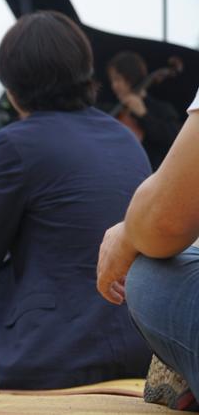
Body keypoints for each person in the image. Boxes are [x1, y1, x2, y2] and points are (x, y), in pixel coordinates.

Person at [0, 11, 153, 389]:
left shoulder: (15, 142)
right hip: (141, 342)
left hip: (52, 350)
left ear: (13, 88)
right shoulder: (125, 137)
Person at [97, 88, 199, 411]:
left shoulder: (12, 145)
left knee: (148, 271)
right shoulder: (122, 136)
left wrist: (127, 234)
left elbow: (166, 221)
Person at [107, 51, 180, 171]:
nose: (114, 85)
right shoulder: (112, 110)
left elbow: (174, 141)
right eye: (112, 81)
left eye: (118, 79)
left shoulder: (162, 109)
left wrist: (144, 115)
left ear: (131, 78)